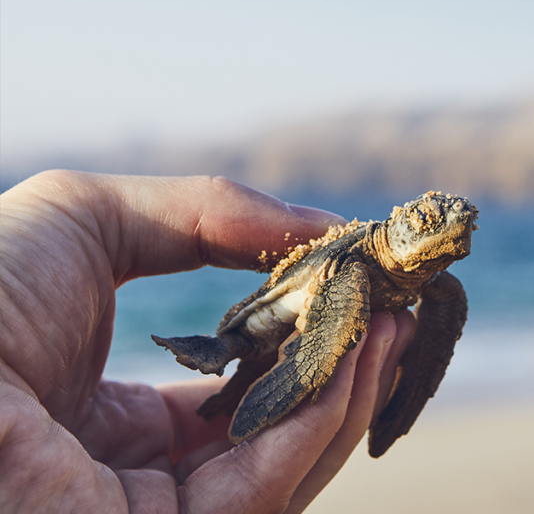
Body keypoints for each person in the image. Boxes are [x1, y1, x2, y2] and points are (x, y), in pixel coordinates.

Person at [0, 170, 417, 513]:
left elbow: (428, 349)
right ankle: (223, 353)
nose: (451, 232)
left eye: (464, 225)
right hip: (270, 314)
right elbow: (323, 335)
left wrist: (400, 408)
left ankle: (236, 387)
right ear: (402, 224)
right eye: (426, 221)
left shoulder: (438, 287)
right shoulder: (357, 257)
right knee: (280, 352)